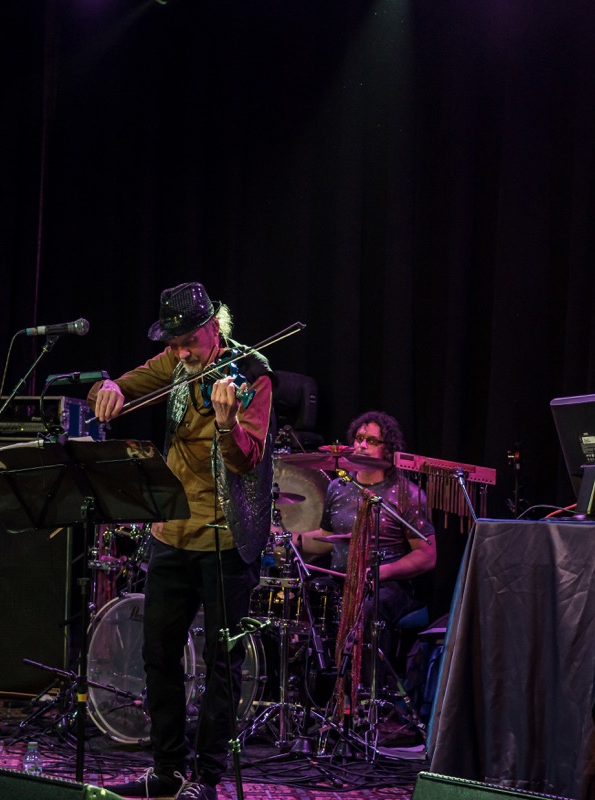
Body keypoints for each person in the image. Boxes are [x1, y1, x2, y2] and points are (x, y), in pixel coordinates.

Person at [90, 282, 274, 800]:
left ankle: (207, 779)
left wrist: (226, 424)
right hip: (171, 531)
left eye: (189, 341)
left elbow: (247, 459)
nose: (181, 353)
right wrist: (111, 389)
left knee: (221, 663)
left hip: (225, 537)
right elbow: (124, 385)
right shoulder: (174, 361)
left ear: (213, 327)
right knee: (158, 655)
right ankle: (167, 769)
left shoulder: (252, 373)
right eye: (174, 344)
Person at [297, 410, 436, 628]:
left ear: (387, 449)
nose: (362, 446)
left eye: (371, 441)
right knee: (306, 595)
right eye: (359, 438)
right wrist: (290, 539)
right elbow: (327, 537)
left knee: (368, 607)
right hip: (341, 580)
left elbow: (426, 555)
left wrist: (383, 572)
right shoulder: (338, 487)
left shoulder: (406, 493)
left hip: (387, 584)